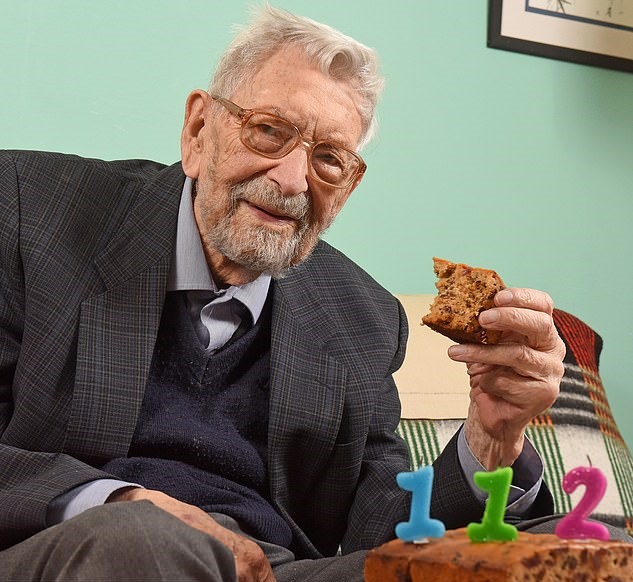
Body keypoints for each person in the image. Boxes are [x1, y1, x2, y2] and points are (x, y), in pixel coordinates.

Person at [0, 5, 576, 582]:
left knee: (583, 554)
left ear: (347, 188)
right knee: (144, 540)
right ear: (198, 131)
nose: (293, 179)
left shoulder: (362, 317)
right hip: (75, 544)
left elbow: (383, 536)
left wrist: (494, 435)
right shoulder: (27, 210)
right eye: (270, 131)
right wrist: (119, 501)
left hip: (275, 571)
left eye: (328, 159)